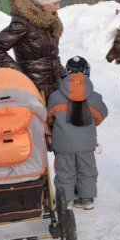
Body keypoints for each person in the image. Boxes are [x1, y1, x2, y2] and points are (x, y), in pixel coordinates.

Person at [0, 0, 66, 101]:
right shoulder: (23, 23)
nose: (58, 7)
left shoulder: (50, 21)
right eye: (55, 3)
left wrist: (63, 74)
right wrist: (20, 76)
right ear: (42, 3)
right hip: (32, 89)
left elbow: (52, 55)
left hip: (54, 86)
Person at [47, 56, 108, 210]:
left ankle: (65, 201)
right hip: (86, 144)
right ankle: (86, 200)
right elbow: (101, 116)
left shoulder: (55, 96)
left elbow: (49, 118)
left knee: (64, 171)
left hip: (63, 143)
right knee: (87, 170)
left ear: (66, 72)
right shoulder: (94, 97)